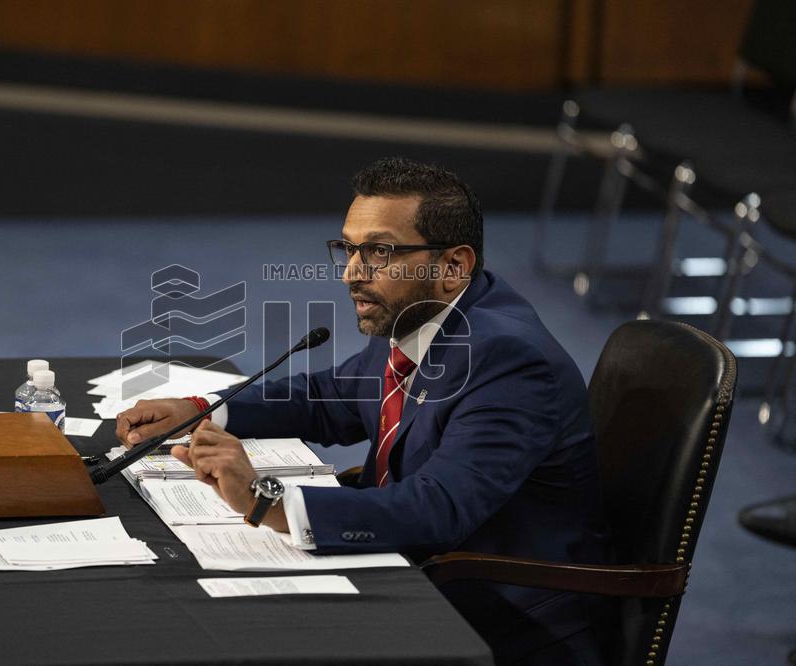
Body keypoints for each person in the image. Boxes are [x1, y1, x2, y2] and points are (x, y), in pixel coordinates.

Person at [116, 157, 611, 664]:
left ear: (453, 266)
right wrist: (200, 411)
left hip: (494, 624)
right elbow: (330, 396)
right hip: (410, 570)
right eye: (349, 250)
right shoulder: (418, 313)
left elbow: (439, 507)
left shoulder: (509, 361)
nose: (352, 273)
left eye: (379, 251)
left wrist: (267, 502)